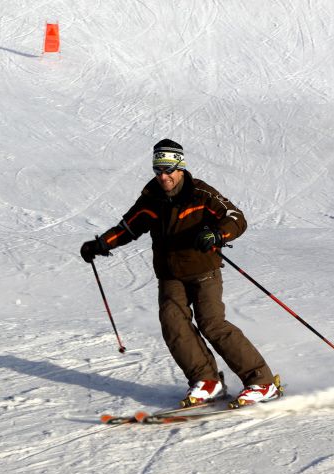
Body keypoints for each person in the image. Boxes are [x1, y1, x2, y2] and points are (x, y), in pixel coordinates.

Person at [80, 139, 281, 407]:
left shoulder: (201, 193)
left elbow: (236, 217)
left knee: (212, 324)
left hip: (203, 270)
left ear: (180, 167)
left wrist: (217, 233)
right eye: (158, 171)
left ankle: (262, 382)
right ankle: (207, 381)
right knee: (173, 325)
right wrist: (102, 243)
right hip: (170, 274)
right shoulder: (151, 198)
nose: (163, 176)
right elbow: (129, 227)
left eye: (168, 170)